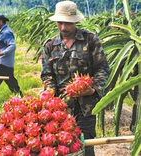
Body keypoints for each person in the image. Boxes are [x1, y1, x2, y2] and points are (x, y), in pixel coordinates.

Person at [41, 1, 110, 156]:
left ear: (75, 21)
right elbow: (47, 74)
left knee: (86, 147)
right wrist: (50, 91)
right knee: (61, 147)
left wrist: (93, 90)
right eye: (60, 23)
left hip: (86, 107)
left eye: (68, 23)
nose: (64, 28)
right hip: (59, 108)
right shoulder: (50, 45)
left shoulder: (90, 40)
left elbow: (102, 68)